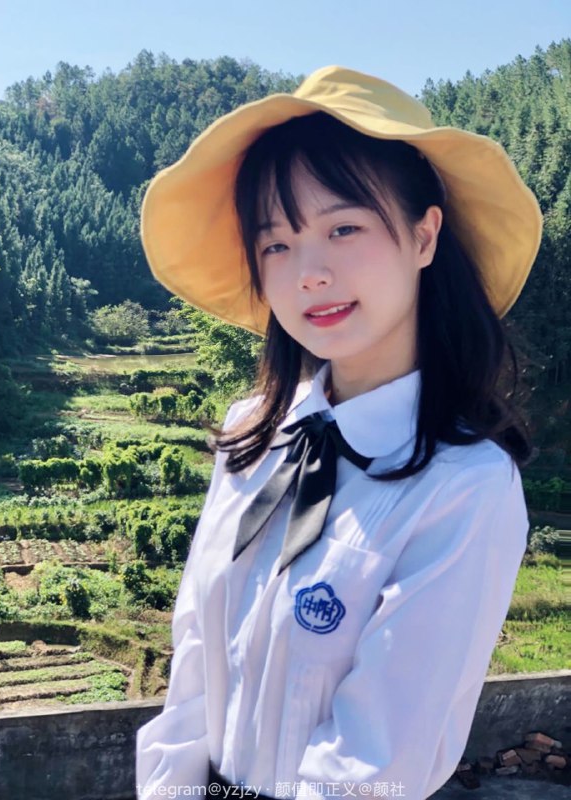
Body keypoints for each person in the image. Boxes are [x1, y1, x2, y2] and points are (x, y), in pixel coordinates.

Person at [135, 66, 542, 800]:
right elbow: (193, 665)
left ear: (424, 235)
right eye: (277, 245)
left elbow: (372, 765)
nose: (309, 274)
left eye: (343, 229)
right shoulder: (251, 436)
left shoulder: (465, 488)